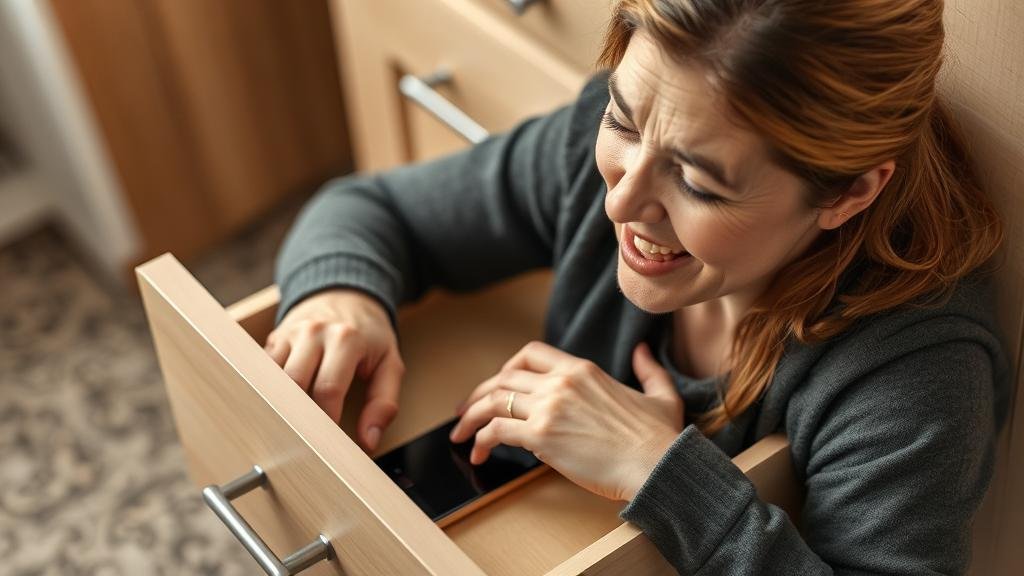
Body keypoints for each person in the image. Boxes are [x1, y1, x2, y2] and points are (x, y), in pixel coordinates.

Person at [267, 0, 1009, 572]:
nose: (620, 202)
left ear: (847, 193)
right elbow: (371, 209)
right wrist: (341, 295)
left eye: (696, 181)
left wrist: (662, 472)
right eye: (623, 121)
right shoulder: (627, 133)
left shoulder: (916, 368)